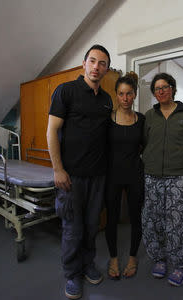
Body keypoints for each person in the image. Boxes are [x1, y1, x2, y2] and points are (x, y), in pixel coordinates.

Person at [47, 44, 112, 300]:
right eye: (93, 61)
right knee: (73, 228)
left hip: (98, 176)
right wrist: (58, 169)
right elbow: (51, 131)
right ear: (84, 63)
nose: (97, 67)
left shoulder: (107, 100)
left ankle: (87, 264)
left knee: (91, 225)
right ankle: (72, 273)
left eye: (102, 63)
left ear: (106, 69)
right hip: (71, 177)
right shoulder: (66, 91)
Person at [141, 72, 183, 287]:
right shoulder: (149, 115)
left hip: (178, 177)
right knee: (153, 221)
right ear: (154, 93)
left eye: (165, 87)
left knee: (178, 223)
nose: (161, 91)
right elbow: (144, 144)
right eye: (157, 89)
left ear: (173, 89)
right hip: (152, 177)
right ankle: (159, 259)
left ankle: (182, 264)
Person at [105, 72, 145, 280]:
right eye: (121, 94)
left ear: (135, 94)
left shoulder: (142, 120)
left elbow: (146, 146)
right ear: (116, 95)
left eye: (129, 94)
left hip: (135, 175)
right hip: (112, 176)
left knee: (135, 218)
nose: (125, 98)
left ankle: (132, 257)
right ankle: (113, 258)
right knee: (111, 218)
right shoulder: (108, 119)